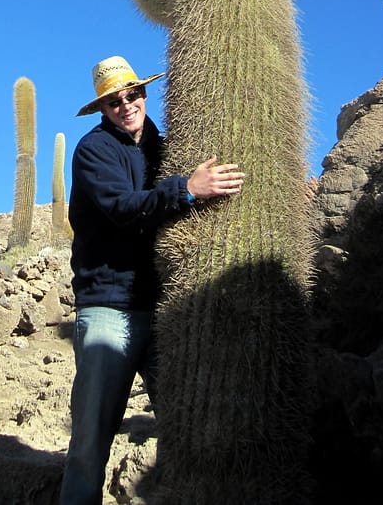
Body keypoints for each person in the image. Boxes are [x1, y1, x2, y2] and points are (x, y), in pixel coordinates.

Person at [59, 55, 245, 505]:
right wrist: (185, 190)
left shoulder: (164, 143)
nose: (126, 105)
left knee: (188, 427)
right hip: (109, 307)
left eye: (133, 94)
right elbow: (123, 208)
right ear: (102, 109)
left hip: (165, 309)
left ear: (144, 94)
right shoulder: (94, 150)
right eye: (113, 101)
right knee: (90, 441)